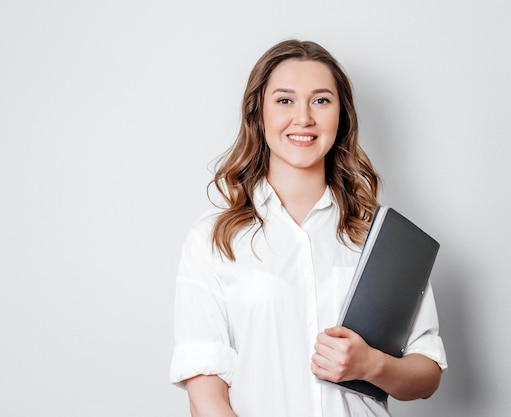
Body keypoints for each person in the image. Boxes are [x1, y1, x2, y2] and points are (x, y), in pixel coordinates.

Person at [169, 39, 447, 417]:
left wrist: (371, 366)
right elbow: (206, 394)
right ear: (258, 114)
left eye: (321, 100)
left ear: (341, 116)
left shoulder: (379, 236)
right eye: (285, 100)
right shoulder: (214, 238)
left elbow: (427, 374)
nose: (303, 118)